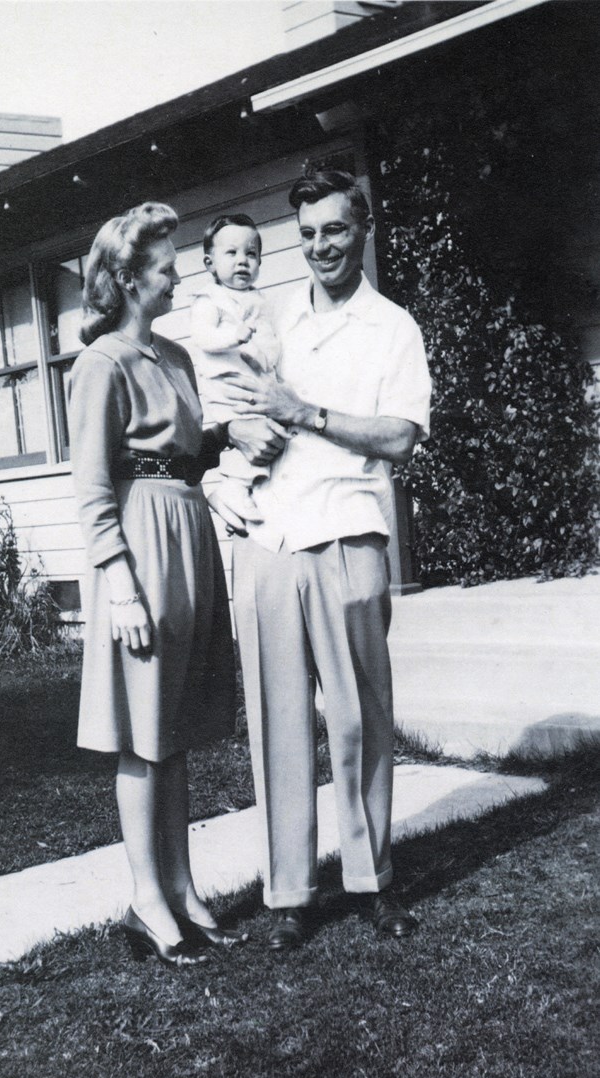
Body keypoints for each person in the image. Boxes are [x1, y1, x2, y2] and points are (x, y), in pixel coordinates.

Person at [219, 169, 432, 950]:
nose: (320, 247)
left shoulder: (392, 328)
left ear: (363, 229)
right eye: (306, 234)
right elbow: (235, 405)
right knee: (278, 723)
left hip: (348, 532)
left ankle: (373, 880)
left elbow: (401, 436)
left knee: (359, 720)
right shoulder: (274, 318)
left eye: (334, 231)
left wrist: (305, 412)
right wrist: (236, 436)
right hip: (271, 538)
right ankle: (290, 896)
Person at [68, 201, 244, 969]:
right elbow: (92, 482)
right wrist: (120, 583)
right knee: (143, 735)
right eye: (166, 265)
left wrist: (228, 435)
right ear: (130, 277)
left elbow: (182, 449)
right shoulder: (101, 363)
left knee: (174, 729)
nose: (179, 274)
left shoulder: (173, 355)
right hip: (140, 542)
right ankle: (146, 900)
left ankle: (181, 886)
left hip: (189, 532)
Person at [189, 213, 280, 523]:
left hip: (255, 383)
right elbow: (202, 337)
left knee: (270, 436)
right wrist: (233, 336)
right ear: (209, 262)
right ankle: (233, 489)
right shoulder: (210, 299)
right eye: (232, 252)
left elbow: (271, 342)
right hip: (226, 386)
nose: (243, 261)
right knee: (250, 434)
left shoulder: (261, 301)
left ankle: (234, 493)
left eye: (251, 254)